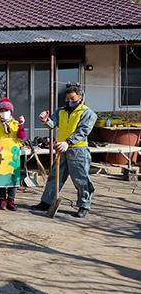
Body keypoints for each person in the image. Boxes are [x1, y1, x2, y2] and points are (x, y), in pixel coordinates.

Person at [31, 86, 97, 218]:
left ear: (80, 97)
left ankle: (84, 205)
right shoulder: (61, 111)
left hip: (78, 150)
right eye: (67, 99)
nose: (69, 101)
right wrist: (45, 120)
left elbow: (83, 131)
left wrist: (68, 142)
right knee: (55, 177)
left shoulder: (87, 113)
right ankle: (46, 202)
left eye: (72, 98)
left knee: (81, 179)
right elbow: (52, 124)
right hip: (61, 149)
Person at [0, 98, 26, 211]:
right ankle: (2, 199)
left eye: (6, 110)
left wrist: (21, 125)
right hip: (0, 155)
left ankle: (11, 200)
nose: (4, 113)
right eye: (1, 111)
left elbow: (22, 136)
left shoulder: (16, 123)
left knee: (13, 178)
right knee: (1, 177)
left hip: (13, 155)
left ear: (10, 111)